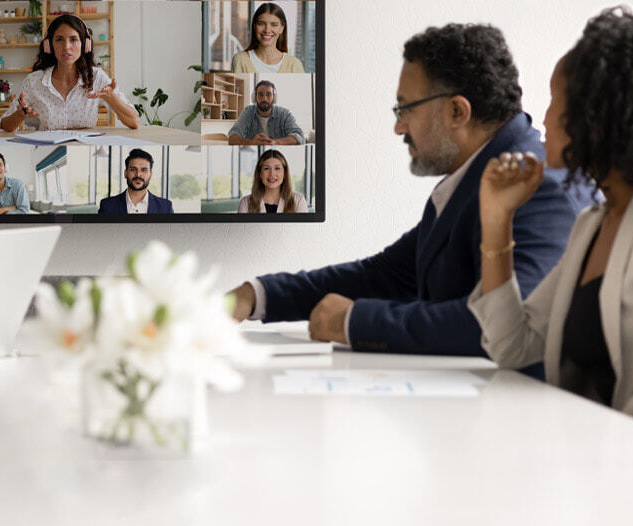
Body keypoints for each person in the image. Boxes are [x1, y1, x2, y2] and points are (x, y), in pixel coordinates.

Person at [227, 23, 580, 356]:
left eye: (405, 108)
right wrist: (256, 295)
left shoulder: (538, 188)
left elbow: (503, 325)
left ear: (458, 111)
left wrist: (353, 322)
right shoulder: (470, 180)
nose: (398, 127)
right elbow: (384, 277)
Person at [472, 7, 633, 423]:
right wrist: (497, 217)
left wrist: (612, 446)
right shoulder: (593, 224)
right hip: (579, 459)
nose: (544, 116)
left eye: (555, 99)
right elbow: (511, 345)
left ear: (595, 114)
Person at [0, 13, 139, 131]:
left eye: (73, 39)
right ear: (49, 45)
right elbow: (4, 126)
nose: (66, 47)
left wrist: (111, 97)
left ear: (84, 45)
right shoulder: (33, 81)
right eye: (59, 39)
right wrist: (20, 115)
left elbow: (134, 122)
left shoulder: (97, 77)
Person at [229, 2, 307, 73]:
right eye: (261, 24)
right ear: (254, 26)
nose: (267, 30)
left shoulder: (294, 65)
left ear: (282, 28)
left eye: (274, 25)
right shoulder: (240, 60)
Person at [225, 80, 305, 145]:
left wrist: (275, 142)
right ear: (254, 97)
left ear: (274, 98)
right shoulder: (247, 112)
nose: (264, 99)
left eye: (268, 94)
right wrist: (251, 143)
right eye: (260, 94)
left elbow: (299, 136)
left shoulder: (284, 114)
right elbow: (232, 137)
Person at [98, 148, 173, 214]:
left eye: (144, 170)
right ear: (125, 173)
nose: (138, 174)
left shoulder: (165, 207)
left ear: (150, 175)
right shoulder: (107, 206)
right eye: (133, 170)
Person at [237, 148, 309, 213]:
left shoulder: (299, 201)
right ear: (260, 174)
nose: (272, 174)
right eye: (266, 168)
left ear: (284, 174)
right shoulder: (245, 203)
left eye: (277, 168)